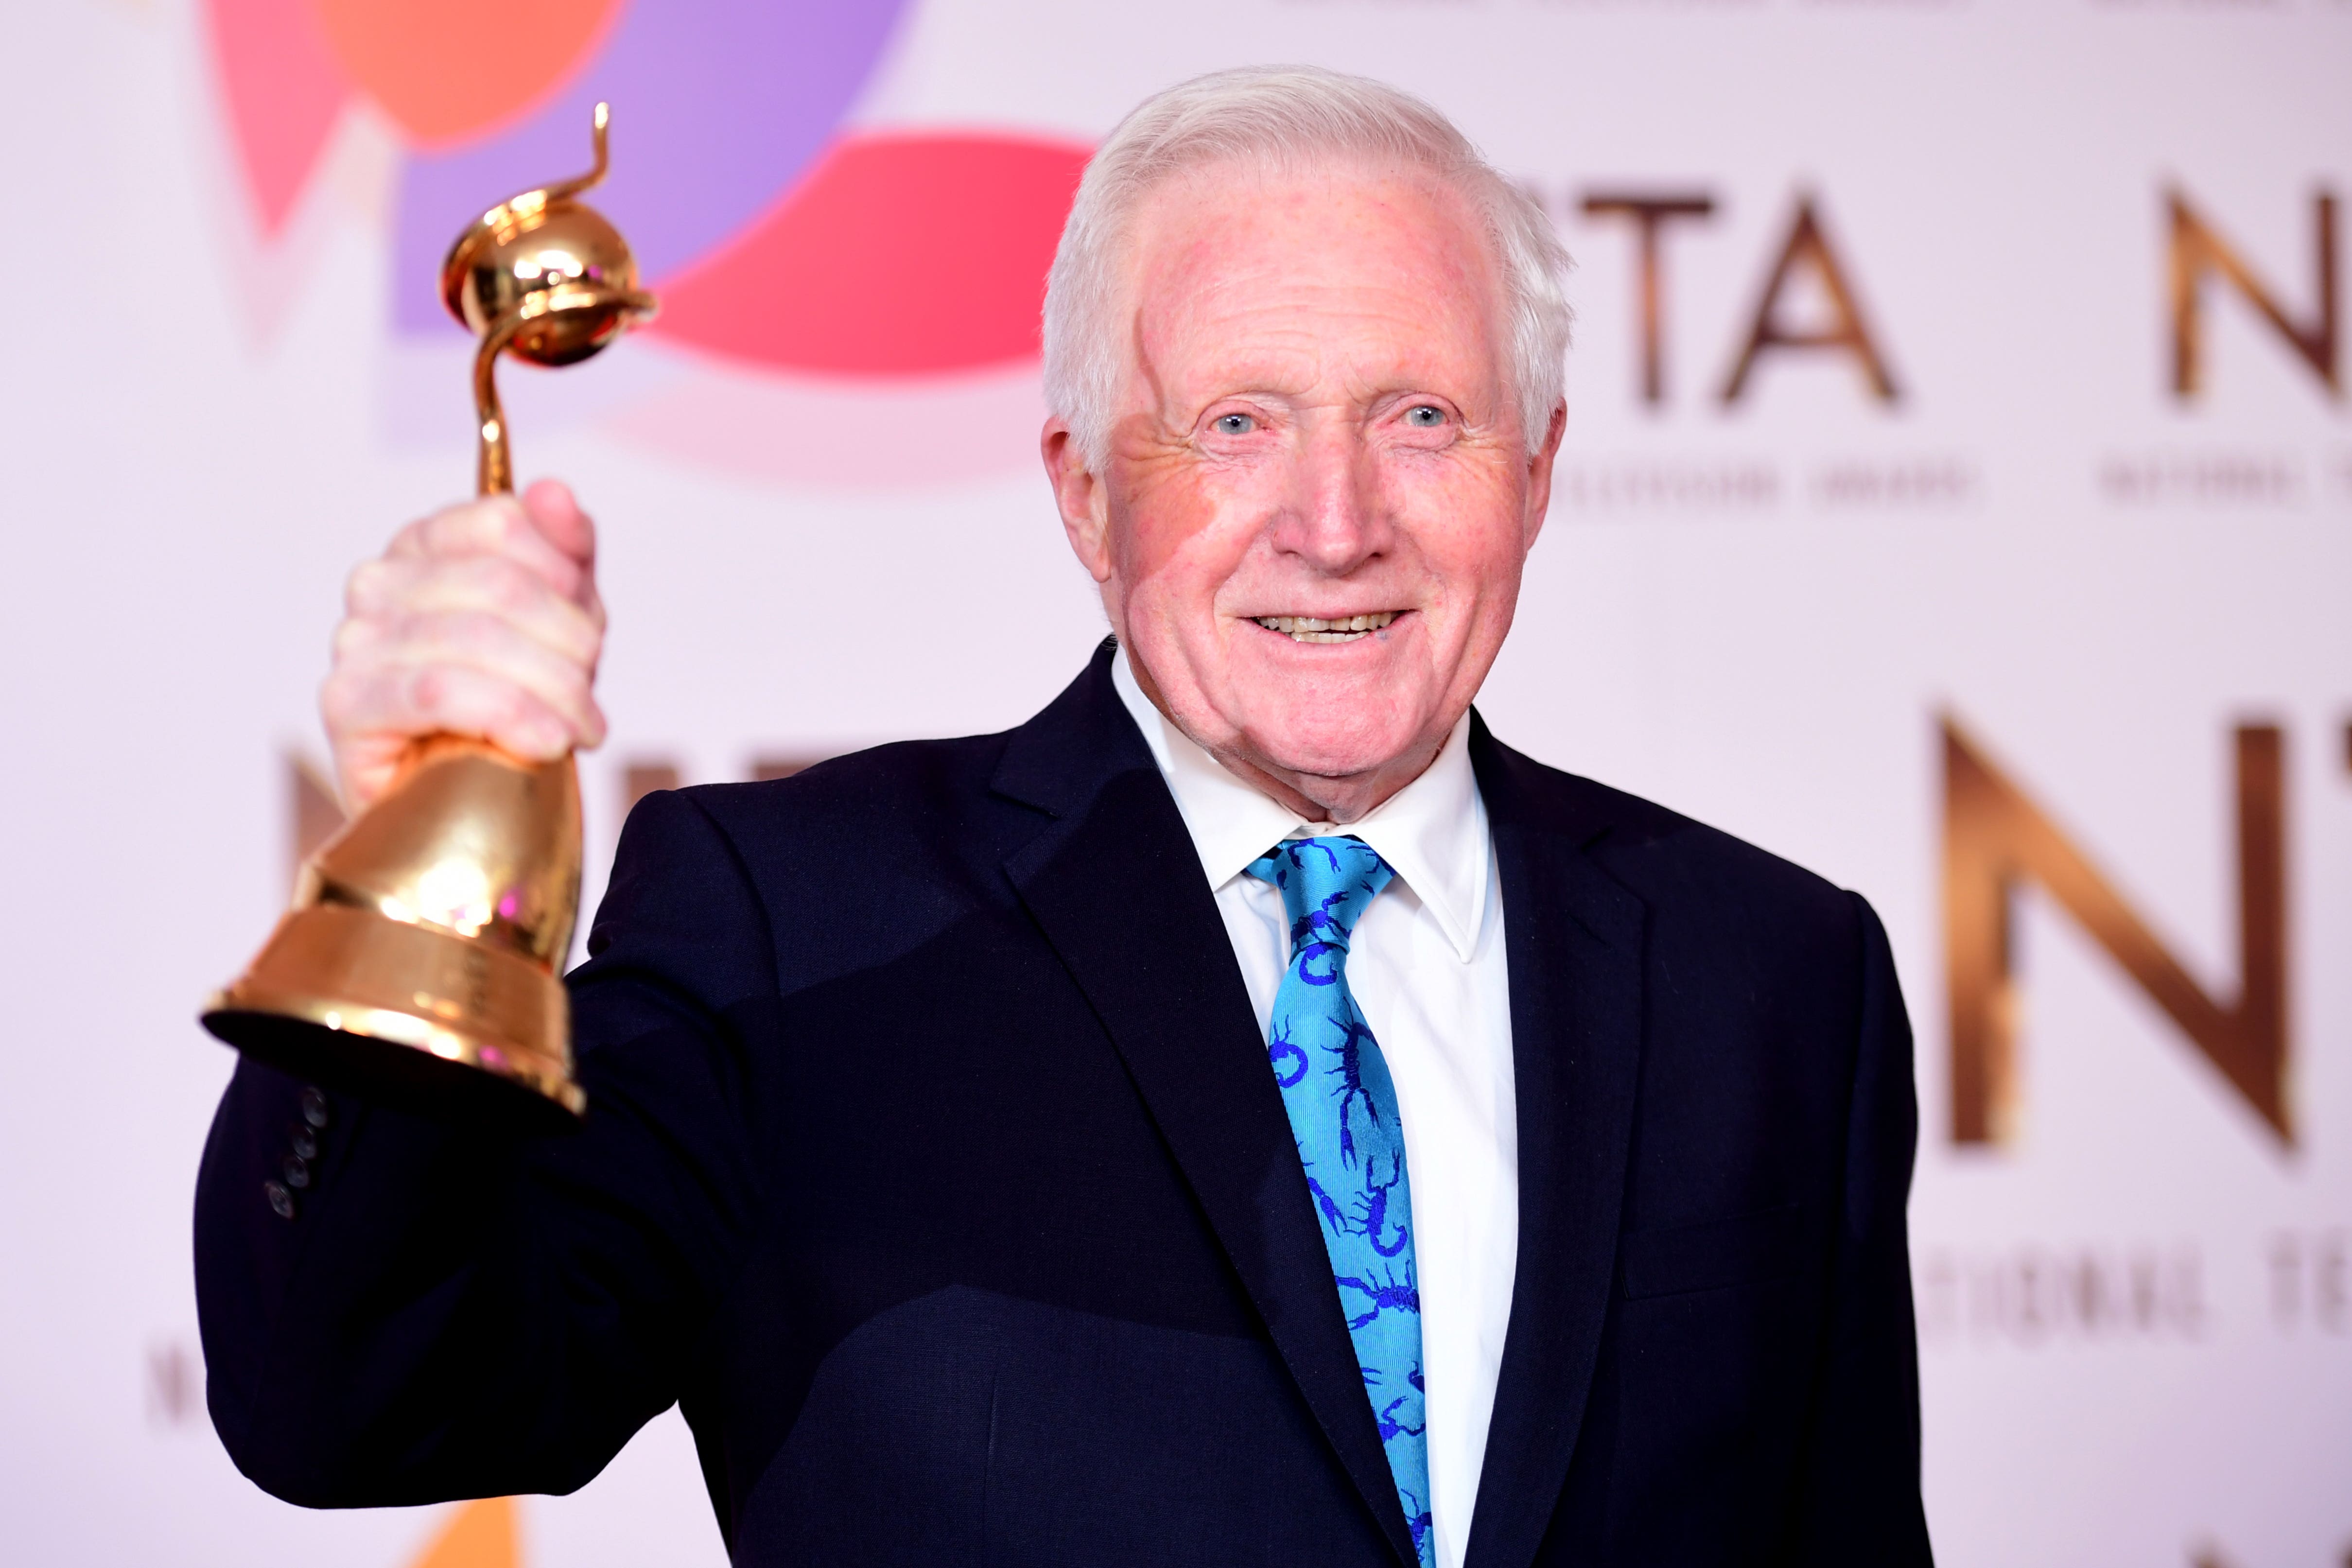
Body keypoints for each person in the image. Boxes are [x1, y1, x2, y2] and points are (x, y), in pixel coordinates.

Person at [195, 67, 1931, 1568]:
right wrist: (410, 882)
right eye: (1235, 423)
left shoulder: (1777, 977)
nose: (1335, 523)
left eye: (1422, 420)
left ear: (1535, 472)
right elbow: (354, 1402)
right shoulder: (792, 923)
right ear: (1084, 491)